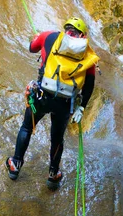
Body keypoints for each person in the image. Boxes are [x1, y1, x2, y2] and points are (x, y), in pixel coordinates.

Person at [6, 17, 99, 190]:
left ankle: (15, 164)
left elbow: (32, 47)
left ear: (65, 29)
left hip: (42, 96)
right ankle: (53, 174)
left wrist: (37, 38)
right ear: (83, 35)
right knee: (57, 139)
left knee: (27, 127)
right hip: (65, 103)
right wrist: (82, 107)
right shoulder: (88, 53)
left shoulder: (49, 37)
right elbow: (90, 84)